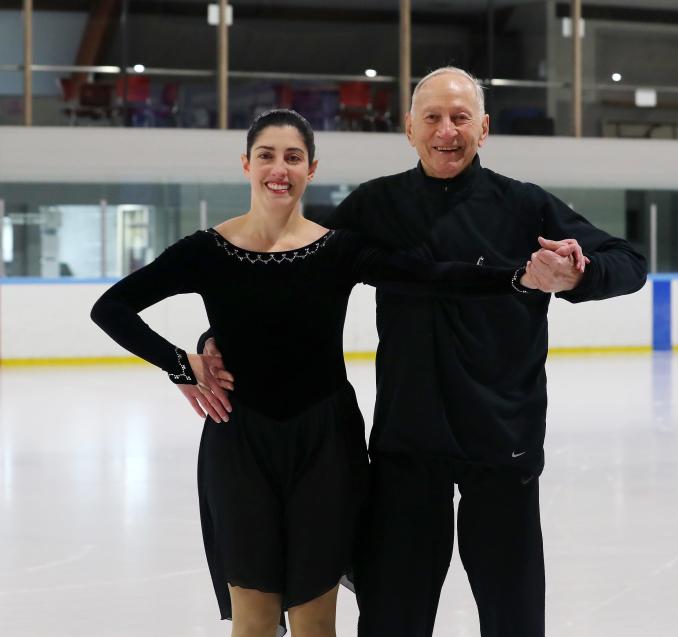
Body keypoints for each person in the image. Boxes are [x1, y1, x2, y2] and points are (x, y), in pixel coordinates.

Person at [90, 109, 581, 637]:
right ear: (246, 164)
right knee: (253, 619)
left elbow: (432, 277)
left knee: (313, 619)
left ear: (311, 168)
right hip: (239, 443)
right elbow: (112, 309)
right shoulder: (206, 251)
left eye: (293, 157)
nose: (280, 169)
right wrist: (181, 364)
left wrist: (520, 279)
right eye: (267, 156)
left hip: (326, 443)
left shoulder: (338, 248)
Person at [201, 68, 647, 637]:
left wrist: (576, 273)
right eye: (432, 118)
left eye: (460, 118)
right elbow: (297, 269)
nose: (446, 131)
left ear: (483, 129)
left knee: (514, 620)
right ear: (409, 128)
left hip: (501, 445)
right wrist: (218, 340)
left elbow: (629, 262)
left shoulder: (524, 206)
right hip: (408, 448)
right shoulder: (375, 206)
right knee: (393, 620)